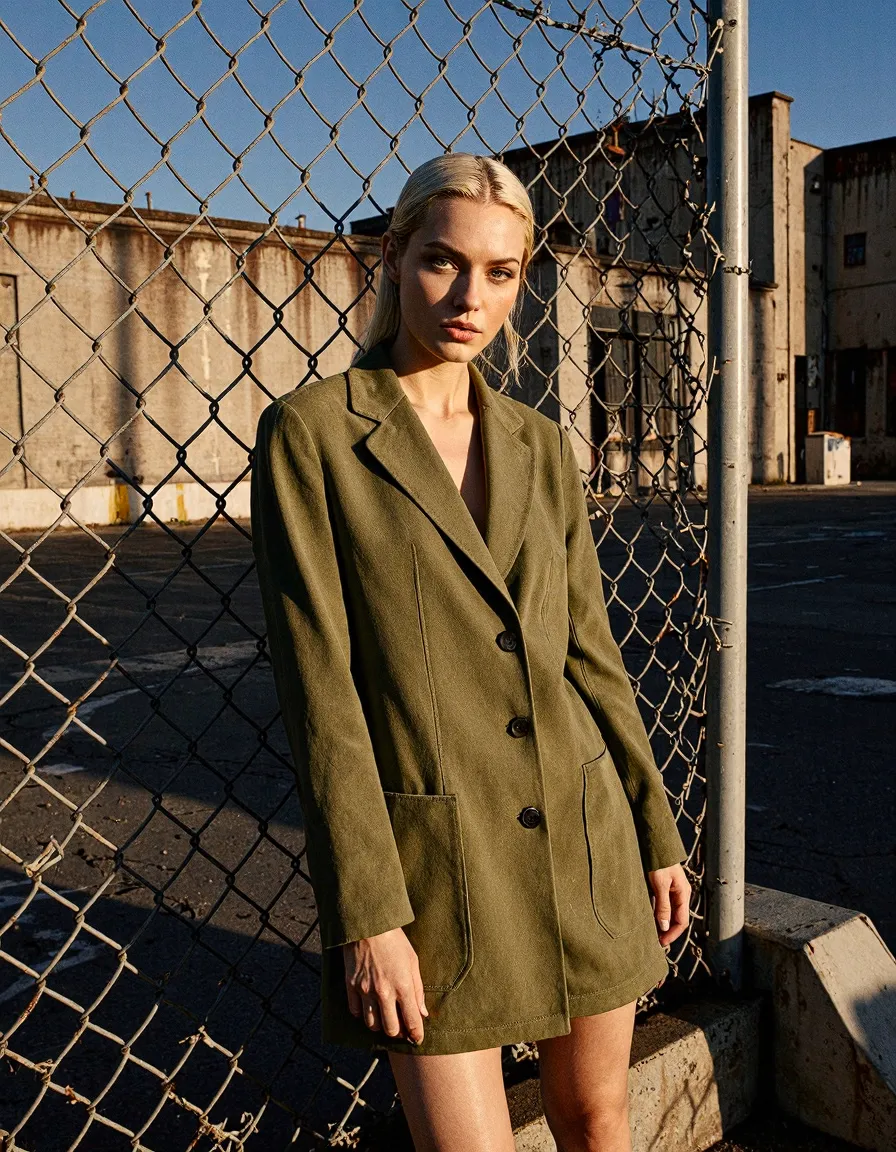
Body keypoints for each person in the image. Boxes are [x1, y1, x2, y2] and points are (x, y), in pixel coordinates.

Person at [250, 152, 691, 1152]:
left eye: (500, 272)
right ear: (394, 257)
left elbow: (591, 656)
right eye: (442, 262)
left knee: (598, 1118)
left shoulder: (539, 444)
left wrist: (653, 829)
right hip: (436, 870)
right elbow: (322, 696)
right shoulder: (313, 436)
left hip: (584, 838)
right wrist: (368, 915)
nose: (469, 298)